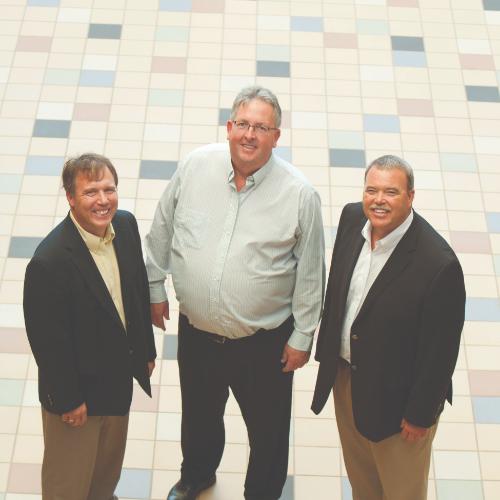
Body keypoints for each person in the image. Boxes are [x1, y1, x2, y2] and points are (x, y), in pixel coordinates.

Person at [145, 85, 325, 500]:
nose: (249, 134)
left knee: (268, 430)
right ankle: (197, 476)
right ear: (228, 127)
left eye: (261, 127)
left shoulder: (300, 195)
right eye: (242, 124)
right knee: (199, 417)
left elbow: (312, 275)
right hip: (197, 332)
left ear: (276, 137)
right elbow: (161, 229)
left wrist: (302, 337)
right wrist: (155, 287)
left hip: (263, 344)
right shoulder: (194, 167)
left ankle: (261, 493)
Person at [312, 155, 466, 500]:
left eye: (391, 192)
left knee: (400, 490)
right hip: (347, 378)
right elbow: (339, 289)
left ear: (411, 197)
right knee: (363, 481)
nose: (378, 200)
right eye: (372, 190)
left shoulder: (438, 265)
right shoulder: (353, 218)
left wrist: (419, 414)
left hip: (400, 405)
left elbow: (440, 353)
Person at [23, 153, 156, 500]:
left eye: (109, 189)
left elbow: (136, 292)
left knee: (104, 478)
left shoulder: (125, 226)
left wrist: (144, 351)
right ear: (70, 197)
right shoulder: (49, 262)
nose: (103, 200)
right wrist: (68, 399)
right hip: (76, 398)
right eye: (90, 192)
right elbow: (49, 344)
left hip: (116, 384)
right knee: (68, 486)